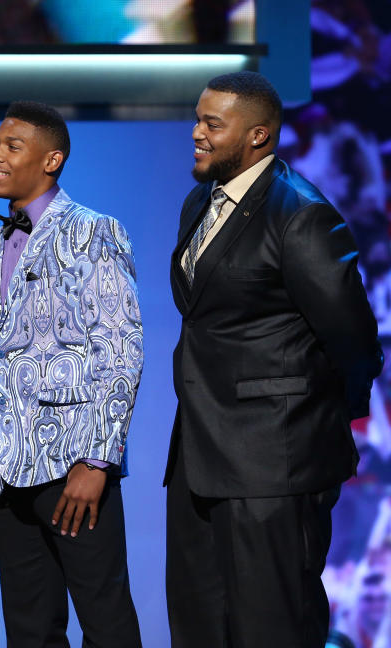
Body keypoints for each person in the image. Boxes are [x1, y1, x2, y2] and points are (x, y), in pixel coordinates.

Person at [164, 70, 384, 647]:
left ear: (258, 136)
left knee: (272, 631)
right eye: (197, 119)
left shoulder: (300, 214)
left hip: (272, 464)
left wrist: (313, 416)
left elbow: (355, 339)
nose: (197, 133)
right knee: (199, 626)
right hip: (198, 456)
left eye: (213, 123)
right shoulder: (199, 202)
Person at [0, 100, 144, 646]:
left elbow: (122, 348)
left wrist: (97, 461)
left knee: (105, 621)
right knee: (29, 629)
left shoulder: (93, 232)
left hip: (74, 469)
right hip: (8, 477)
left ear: (51, 160)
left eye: (11, 146)